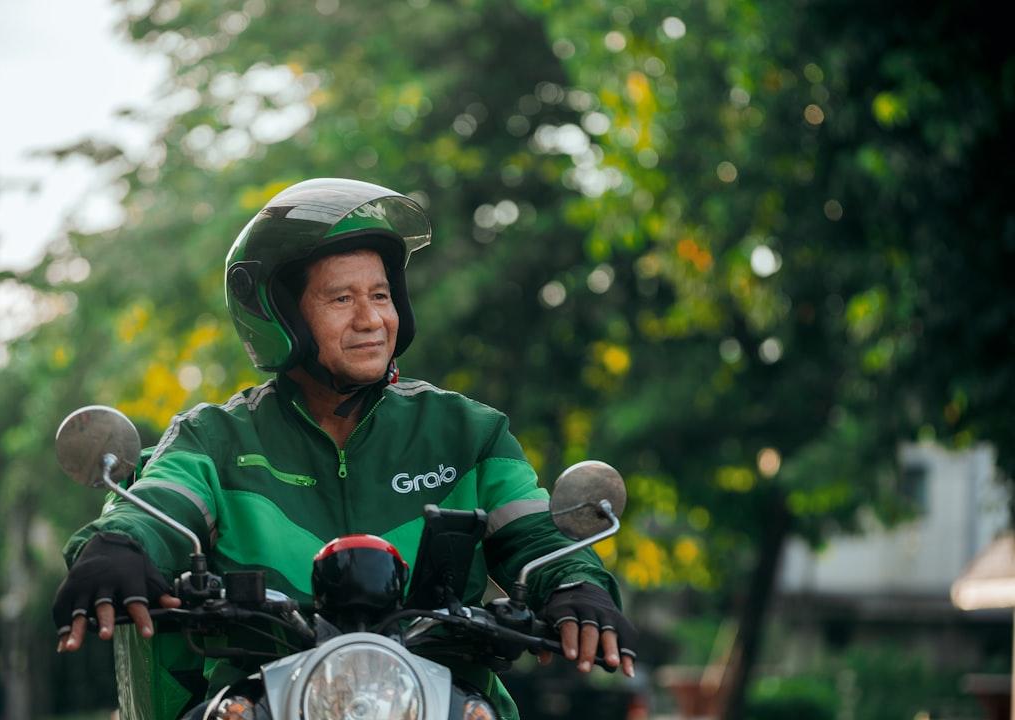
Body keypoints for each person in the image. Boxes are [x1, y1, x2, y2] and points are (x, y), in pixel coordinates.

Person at [53, 178, 637, 719]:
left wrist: (575, 582)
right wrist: (118, 546)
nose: (371, 320)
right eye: (341, 300)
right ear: (281, 316)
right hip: (262, 698)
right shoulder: (216, 439)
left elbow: (534, 534)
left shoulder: (467, 432)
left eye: (380, 295)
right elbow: (162, 503)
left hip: (441, 697)